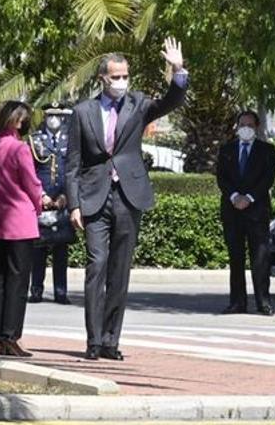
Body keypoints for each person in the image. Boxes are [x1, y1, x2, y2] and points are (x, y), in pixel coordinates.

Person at [66, 37, 188, 361]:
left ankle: (110, 341)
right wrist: (74, 203)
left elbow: (171, 101)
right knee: (97, 266)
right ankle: (92, 341)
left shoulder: (139, 104)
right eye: (115, 76)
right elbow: (73, 163)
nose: (121, 81)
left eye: (125, 76)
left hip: (128, 197)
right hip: (94, 198)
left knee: (120, 271)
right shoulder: (82, 112)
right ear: (102, 78)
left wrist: (178, 71)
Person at [0, 101, 43, 357]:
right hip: (19, 220)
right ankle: (11, 335)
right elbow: (31, 182)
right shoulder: (20, 149)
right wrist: (40, 203)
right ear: (18, 121)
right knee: (18, 282)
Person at [216, 110, 275, 316]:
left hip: (257, 212)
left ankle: (263, 302)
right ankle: (237, 302)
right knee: (236, 258)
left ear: (256, 127)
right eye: (243, 124)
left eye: (250, 125)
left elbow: (267, 179)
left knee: (260, 258)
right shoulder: (227, 150)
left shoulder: (267, 150)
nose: (246, 129)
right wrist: (234, 197)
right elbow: (221, 178)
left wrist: (249, 198)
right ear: (237, 126)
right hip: (232, 212)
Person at [28, 102, 75, 304]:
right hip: (42, 199)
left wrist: (67, 195)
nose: (54, 119)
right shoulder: (35, 140)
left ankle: (61, 291)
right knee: (38, 249)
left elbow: (74, 170)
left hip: (63, 200)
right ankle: (36, 290)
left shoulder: (70, 140)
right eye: (50, 115)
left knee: (61, 248)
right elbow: (30, 171)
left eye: (57, 115)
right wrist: (41, 194)